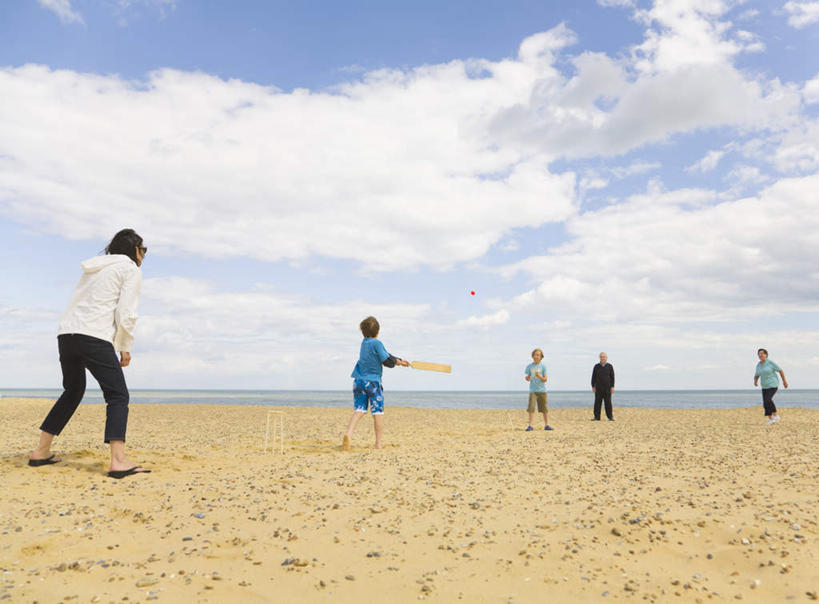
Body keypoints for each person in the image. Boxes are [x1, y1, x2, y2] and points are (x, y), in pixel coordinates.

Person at [28, 229, 151, 479]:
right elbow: (127, 311)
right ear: (134, 250)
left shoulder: (93, 268)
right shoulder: (129, 269)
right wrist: (124, 346)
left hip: (66, 334)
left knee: (73, 391)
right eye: (143, 250)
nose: (144, 255)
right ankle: (118, 461)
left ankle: (40, 451)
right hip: (93, 335)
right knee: (118, 395)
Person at [342, 316, 409, 450]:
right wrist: (400, 363)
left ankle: (348, 434)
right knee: (377, 412)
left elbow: (386, 354)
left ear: (363, 332)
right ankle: (378, 444)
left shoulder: (364, 343)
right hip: (373, 383)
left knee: (359, 410)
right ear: (378, 331)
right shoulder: (377, 343)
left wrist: (399, 360)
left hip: (359, 381)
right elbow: (386, 360)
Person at [754, 348, 788, 424]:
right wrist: (755, 381)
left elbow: (780, 370)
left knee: (768, 400)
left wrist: (784, 381)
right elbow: (757, 374)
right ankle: (770, 418)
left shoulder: (770, 363)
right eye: (759, 354)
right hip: (764, 386)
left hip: (773, 385)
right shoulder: (758, 365)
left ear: (766, 355)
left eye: (762, 353)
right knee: (765, 403)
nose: (760, 355)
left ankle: (776, 415)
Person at [524, 348, 552, 431]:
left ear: (541, 357)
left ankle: (547, 425)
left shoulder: (543, 367)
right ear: (532, 356)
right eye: (535, 355)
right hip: (533, 390)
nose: (536, 356)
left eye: (538, 355)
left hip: (542, 390)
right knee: (531, 408)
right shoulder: (529, 366)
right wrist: (527, 378)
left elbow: (545, 379)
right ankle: (530, 425)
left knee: (544, 409)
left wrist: (539, 376)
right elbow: (528, 378)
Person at [591, 352, 615, 421]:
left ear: (606, 358)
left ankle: (610, 417)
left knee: (608, 403)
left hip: (607, 388)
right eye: (601, 357)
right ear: (599, 358)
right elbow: (593, 377)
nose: (603, 358)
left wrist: (612, 386)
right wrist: (593, 386)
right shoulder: (596, 366)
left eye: (604, 357)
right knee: (597, 403)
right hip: (598, 387)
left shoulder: (610, 366)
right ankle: (597, 417)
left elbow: (612, 377)